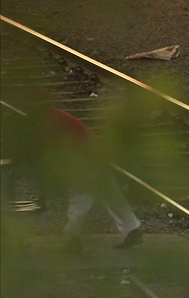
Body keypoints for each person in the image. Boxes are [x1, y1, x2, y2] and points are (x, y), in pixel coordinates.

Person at [10, 99, 143, 254]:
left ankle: (71, 239)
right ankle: (132, 230)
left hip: (84, 162)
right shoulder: (54, 117)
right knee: (112, 197)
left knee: (80, 202)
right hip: (94, 156)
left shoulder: (49, 122)